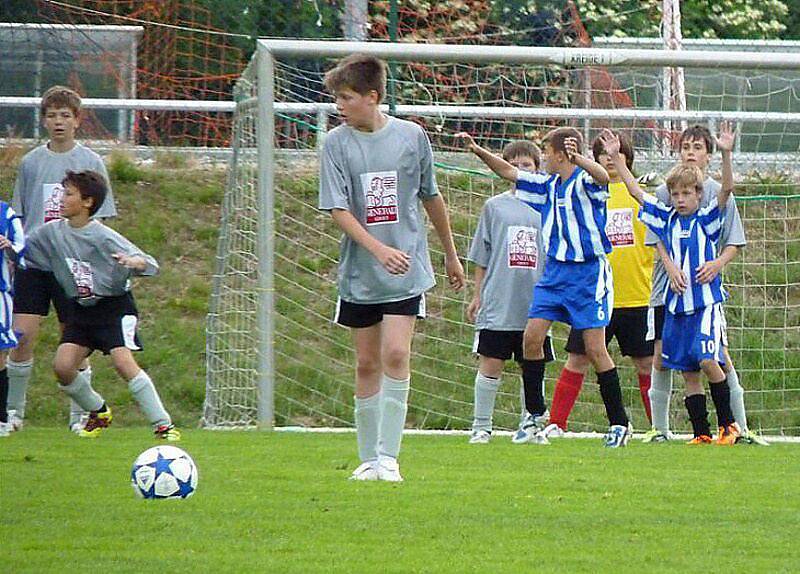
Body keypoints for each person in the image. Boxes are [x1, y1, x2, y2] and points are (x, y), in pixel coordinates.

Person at [318, 54, 464, 481]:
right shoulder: (336, 143)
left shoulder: (411, 137)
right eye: (336, 98)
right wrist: (378, 249)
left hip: (407, 269)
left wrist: (451, 254)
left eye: (346, 97)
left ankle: (389, 458)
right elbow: (338, 209)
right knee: (366, 364)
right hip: (361, 273)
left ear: (372, 97)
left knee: (396, 353)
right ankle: (367, 460)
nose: (339, 106)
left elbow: (431, 197)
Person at [467, 126, 632, 447]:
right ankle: (534, 415)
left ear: (560, 155)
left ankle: (619, 423)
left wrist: (581, 158)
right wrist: (477, 150)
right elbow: (508, 171)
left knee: (595, 349)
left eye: (547, 152)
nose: (543, 158)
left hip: (588, 275)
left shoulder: (585, 182)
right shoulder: (547, 186)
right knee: (532, 338)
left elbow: (603, 176)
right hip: (554, 274)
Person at [601, 126, 739, 445]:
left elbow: (728, 189)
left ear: (698, 195)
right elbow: (637, 192)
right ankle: (701, 432)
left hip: (704, 305)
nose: (679, 199)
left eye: (686, 194)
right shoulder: (667, 219)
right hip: (677, 306)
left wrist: (727, 153)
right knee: (688, 370)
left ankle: (729, 424)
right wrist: (616, 159)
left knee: (708, 359)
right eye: (675, 194)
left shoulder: (707, 219)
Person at [24, 170, 179, 441]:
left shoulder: (103, 236)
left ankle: (163, 424)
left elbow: (149, 262)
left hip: (114, 308)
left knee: (122, 362)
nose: (62, 199)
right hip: (81, 309)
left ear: (88, 202)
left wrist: (134, 263)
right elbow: (24, 247)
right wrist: (10, 246)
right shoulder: (51, 232)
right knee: (62, 367)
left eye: (69, 194)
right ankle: (99, 411)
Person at [642, 124, 767, 445]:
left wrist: (716, 264)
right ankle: (662, 428)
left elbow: (733, 242)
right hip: (666, 291)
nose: (691, 153)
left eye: (697, 147)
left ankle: (737, 426)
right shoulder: (664, 191)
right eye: (686, 147)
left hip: (703, 293)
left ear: (708, 155)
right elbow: (656, 238)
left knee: (716, 356)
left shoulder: (716, 195)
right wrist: (669, 268)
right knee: (664, 357)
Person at [8, 85, 117, 434]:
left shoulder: (91, 162)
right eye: (52, 115)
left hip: (73, 265)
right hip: (34, 264)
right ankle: (12, 413)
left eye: (65, 115)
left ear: (77, 120)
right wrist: (13, 252)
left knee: (75, 341)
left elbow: (102, 220)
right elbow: (20, 216)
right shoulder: (31, 163)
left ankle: (81, 414)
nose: (58, 122)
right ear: (43, 120)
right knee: (21, 336)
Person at [543, 132, 654, 436]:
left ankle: (656, 427)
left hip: (636, 296)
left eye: (615, 153)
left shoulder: (640, 196)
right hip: (593, 292)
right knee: (578, 358)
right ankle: (556, 423)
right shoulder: (587, 189)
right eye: (601, 153)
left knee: (645, 363)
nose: (608, 158)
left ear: (627, 158)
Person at [457, 137, 555, 444]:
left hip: (536, 301)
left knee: (533, 363)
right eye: (514, 165)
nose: (520, 170)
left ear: (537, 170)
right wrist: (477, 294)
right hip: (500, 299)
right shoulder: (494, 207)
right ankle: (481, 426)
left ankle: (531, 424)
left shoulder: (548, 205)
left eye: (526, 165)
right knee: (491, 362)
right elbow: (482, 255)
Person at [0, 202, 25, 437]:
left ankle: (1, 418)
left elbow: (20, 248)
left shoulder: (4, 212)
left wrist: (9, 246)